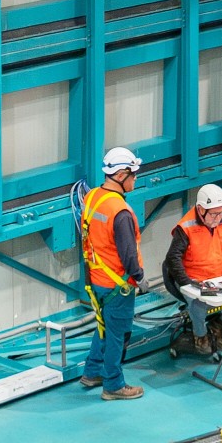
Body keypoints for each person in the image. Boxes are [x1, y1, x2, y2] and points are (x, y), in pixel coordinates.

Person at [80, 146, 146, 400]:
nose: (135, 179)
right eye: (133, 174)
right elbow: (128, 253)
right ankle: (114, 385)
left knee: (103, 327)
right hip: (118, 283)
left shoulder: (93, 197)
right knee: (118, 335)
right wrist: (139, 277)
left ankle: (92, 372)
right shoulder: (120, 212)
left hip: (96, 277)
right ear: (121, 175)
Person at [161, 183, 222, 356]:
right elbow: (172, 258)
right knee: (198, 305)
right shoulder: (186, 227)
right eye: (213, 214)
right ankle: (201, 336)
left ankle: (220, 324)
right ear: (200, 209)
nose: (218, 218)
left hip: (218, 278)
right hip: (193, 279)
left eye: (220, 212)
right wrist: (188, 285)